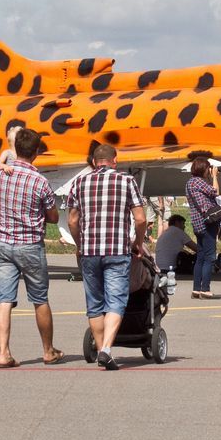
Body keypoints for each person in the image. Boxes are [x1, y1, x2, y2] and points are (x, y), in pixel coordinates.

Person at [67, 144, 146, 371]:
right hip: (117, 250)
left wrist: (80, 244)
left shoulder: (79, 182)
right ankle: (106, 350)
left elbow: (72, 220)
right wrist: (138, 243)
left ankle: (102, 349)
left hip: (89, 252)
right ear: (115, 161)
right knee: (116, 301)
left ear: (94, 162)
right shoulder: (127, 181)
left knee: (94, 303)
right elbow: (140, 219)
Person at [0, 128, 63, 368]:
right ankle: (48, 351)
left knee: (4, 299)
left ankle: (3, 353)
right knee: (39, 299)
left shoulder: (0, 176)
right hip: (29, 244)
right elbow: (52, 216)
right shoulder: (39, 181)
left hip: (3, 243)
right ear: (36, 152)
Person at [185, 156, 221, 299]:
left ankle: (196, 289)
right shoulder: (199, 182)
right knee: (209, 258)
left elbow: (207, 193)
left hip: (197, 223)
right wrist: (214, 177)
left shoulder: (190, 183)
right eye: (208, 168)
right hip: (208, 223)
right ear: (203, 169)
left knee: (200, 257)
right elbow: (215, 191)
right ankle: (205, 289)